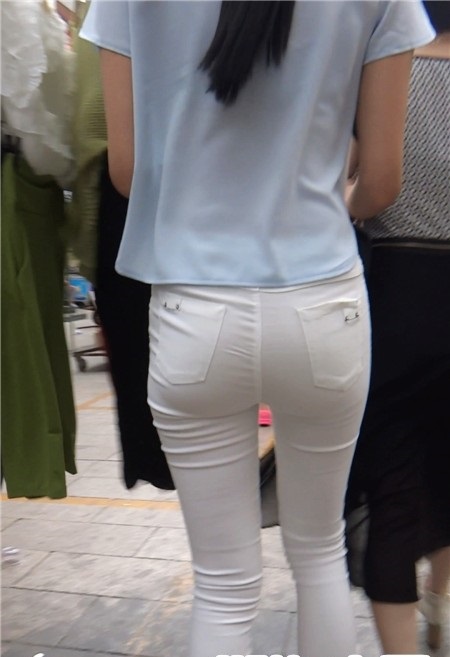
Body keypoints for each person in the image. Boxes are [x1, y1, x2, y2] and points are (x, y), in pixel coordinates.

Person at [80, 2, 434, 656]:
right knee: (319, 550)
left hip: (194, 306)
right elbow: (382, 182)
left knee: (222, 584)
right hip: (323, 302)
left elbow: (127, 171)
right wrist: (330, 203)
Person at [345, 1, 450, 653]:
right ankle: (443, 604)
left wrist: (349, 207)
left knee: (394, 481)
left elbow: (363, 182)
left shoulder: (386, 72)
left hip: (398, 290)